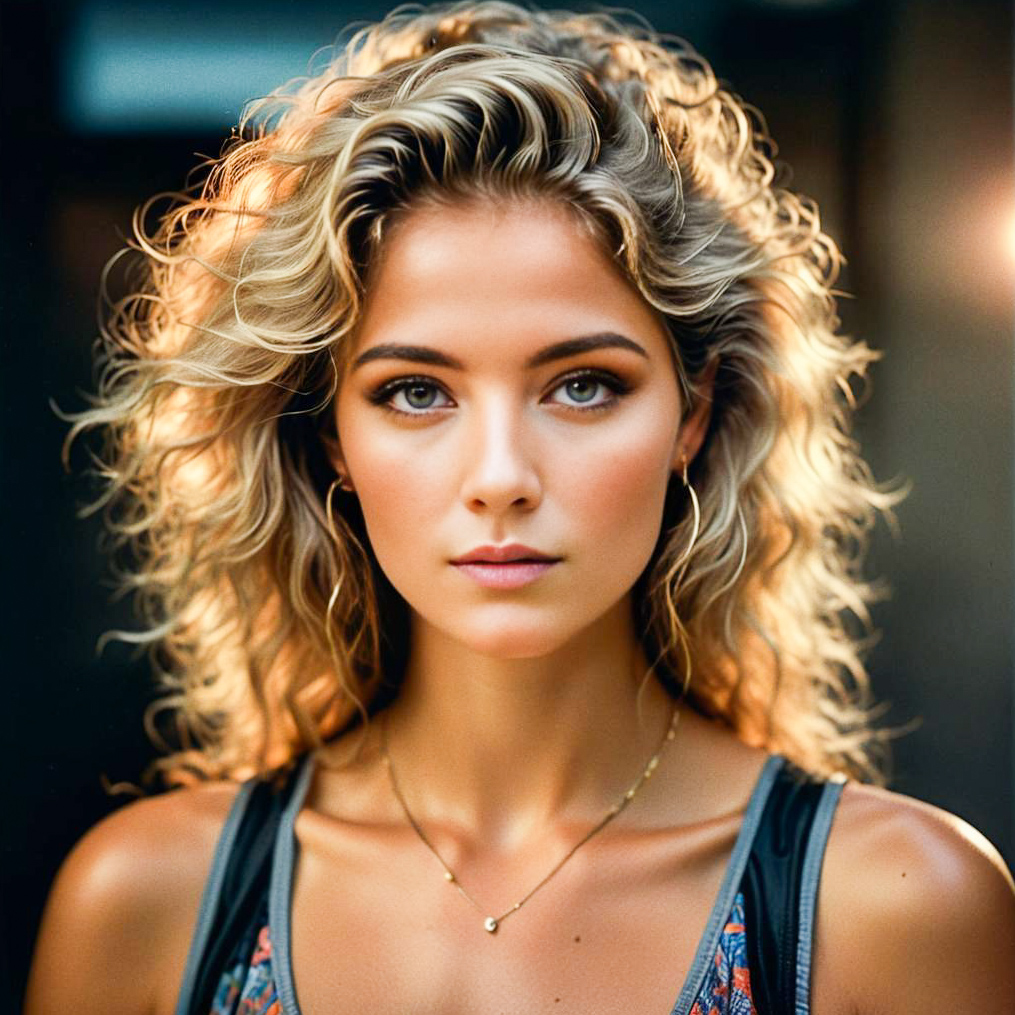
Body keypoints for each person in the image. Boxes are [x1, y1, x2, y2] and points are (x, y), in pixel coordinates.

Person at [25, 2, 1015, 1012]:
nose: (500, 475)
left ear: (693, 411)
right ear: (332, 441)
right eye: (416, 391)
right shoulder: (150, 904)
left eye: (582, 384)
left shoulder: (892, 909)